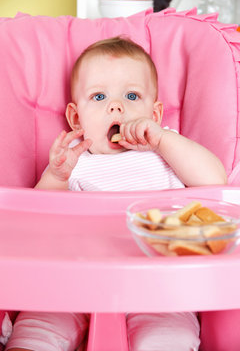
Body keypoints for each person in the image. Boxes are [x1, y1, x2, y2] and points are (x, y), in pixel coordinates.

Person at [6, 36, 227, 351]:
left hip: (158, 286)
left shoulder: (168, 148)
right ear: (75, 118)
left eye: (132, 95)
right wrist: (56, 175)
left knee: (168, 338)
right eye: (98, 96)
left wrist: (163, 139)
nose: (116, 106)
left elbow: (214, 181)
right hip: (72, 282)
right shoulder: (74, 160)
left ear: (155, 113)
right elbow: (35, 218)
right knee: (37, 329)